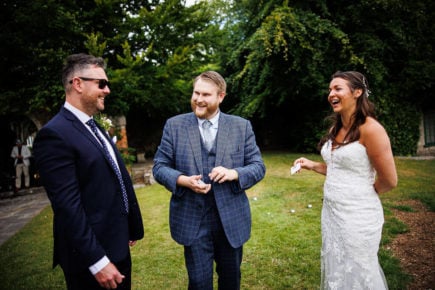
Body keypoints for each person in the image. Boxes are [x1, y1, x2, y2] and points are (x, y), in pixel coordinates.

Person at [33, 53, 144, 290]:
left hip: (116, 245)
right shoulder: (54, 135)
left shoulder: (93, 126)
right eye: (101, 83)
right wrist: (97, 261)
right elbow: (67, 207)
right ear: (78, 84)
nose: (107, 90)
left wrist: (128, 226)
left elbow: (112, 178)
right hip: (92, 260)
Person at [153, 71, 266, 290]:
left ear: (221, 96)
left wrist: (235, 174)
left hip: (231, 219)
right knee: (198, 282)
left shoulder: (241, 126)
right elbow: (159, 166)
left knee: (230, 280)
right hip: (192, 218)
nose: (199, 99)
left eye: (206, 94)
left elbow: (258, 166)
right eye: (196, 93)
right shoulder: (174, 126)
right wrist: (182, 180)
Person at [293, 71, 397, 289]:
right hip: (332, 214)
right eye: (330, 89)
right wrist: (312, 165)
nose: (331, 93)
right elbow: (339, 169)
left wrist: (362, 194)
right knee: (337, 267)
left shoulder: (372, 129)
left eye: (337, 88)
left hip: (359, 215)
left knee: (360, 271)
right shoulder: (336, 127)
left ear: (357, 92)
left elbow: (389, 180)